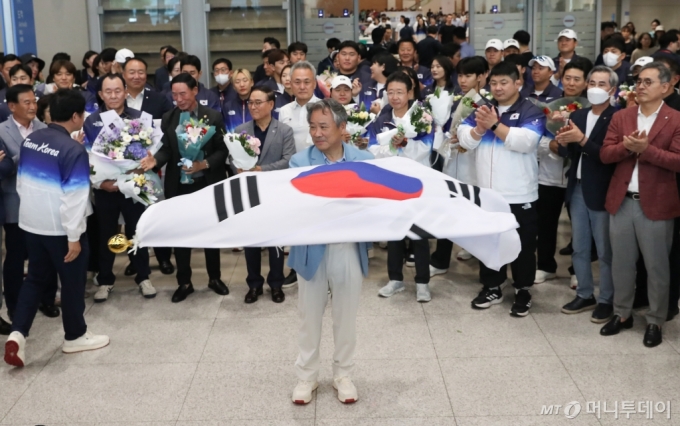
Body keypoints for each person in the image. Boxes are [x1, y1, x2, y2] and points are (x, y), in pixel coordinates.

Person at [4, 89, 109, 368]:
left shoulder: (32, 140)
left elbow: (21, 184)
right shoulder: (73, 150)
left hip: (31, 225)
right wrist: (74, 237)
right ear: (75, 117)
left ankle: (18, 333)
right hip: (61, 231)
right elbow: (74, 199)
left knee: (35, 279)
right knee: (73, 282)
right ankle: (75, 336)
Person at [289, 98, 373, 405]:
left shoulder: (363, 160)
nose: (317, 133)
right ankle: (306, 376)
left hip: (348, 247)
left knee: (345, 316)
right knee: (308, 316)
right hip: (311, 248)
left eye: (323, 126)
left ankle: (343, 374)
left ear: (341, 128)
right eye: (312, 127)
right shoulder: (299, 162)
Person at [599, 62, 680, 348]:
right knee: (621, 264)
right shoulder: (622, 116)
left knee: (657, 266)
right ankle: (622, 314)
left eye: (648, 81)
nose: (641, 86)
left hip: (656, 204)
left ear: (666, 87)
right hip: (621, 202)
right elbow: (606, 154)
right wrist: (627, 147)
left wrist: (647, 150)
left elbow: (677, 161)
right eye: (638, 81)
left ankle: (655, 320)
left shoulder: (676, 119)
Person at [458, 61, 546, 316]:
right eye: (493, 83)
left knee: (523, 245)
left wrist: (495, 126)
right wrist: (478, 128)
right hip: (488, 192)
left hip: (520, 193)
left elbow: (526, 143)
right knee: (490, 242)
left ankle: (523, 289)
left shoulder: (531, 111)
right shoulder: (483, 108)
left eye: (503, 82)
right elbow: (464, 137)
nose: (497, 88)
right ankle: (492, 285)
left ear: (517, 82)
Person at [140, 73, 229, 303]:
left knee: (210, 233)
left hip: (206, 183)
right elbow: (167, 149)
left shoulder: (213, 117)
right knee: (181, 234)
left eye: (183, 94)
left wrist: (203, 164)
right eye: (174, 94)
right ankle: (184, 282)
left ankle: (214, 277)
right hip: (178, 185)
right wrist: (155, 161)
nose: (178, 99)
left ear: (195, 90)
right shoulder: (169, 117)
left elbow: (222, 150)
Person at [83, 74, 156, 303]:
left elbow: (148, 151)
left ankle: (143, 276)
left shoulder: (139, 118)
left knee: (137, 231)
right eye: (108, 91)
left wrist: (139, 169)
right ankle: (105, 280)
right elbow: (88, 157)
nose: (113, 95)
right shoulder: (91, 121)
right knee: (108, 234)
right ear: (101, 94)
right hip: (105, 189)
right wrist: (100, 182)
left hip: (133, 186)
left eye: (117, 90)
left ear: (125, 91)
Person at [556, 65, 617, 322]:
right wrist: (561, 142)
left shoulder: (618, 117)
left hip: (602, 190)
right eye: (591, 83)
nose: (595, 88)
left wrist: (581, 140)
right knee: (579, 247)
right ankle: (584, 293)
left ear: (612, 89)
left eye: (601, 84)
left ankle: (607, 299)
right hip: (578, 187)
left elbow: (609, 157)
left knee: (605, 250)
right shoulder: (578, 115)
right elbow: (568, 154)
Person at [367, 73, 434, 302]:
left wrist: (404, 144)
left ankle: (423, 282)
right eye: (391, 92)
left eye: (399, 92)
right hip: (391, 179)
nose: (395, 97)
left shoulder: (421, 116)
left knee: (419, 233)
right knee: (395, 231)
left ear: (410, 93)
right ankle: (395, 279)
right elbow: (373, 149)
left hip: (417, 179)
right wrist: (391, 148)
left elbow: (426, 148)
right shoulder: (381, 117)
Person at [0, 84, 57, 325]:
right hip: (15, 202)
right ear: (12, 106)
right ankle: (14, 306)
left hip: (43, 201)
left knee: (45, 255)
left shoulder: (45, 129)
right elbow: (4, 169)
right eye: (26, 102)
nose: (33, 106)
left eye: (34, 101)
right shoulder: (1, 131)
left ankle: (47, 299)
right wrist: (30, 153)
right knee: (15, 257)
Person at [233, 86, 295, 304]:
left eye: (258, 102)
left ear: (271, 105)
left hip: (275, 191)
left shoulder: (284, 130)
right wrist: (238, 168)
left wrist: (261, 170)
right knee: (251, 240)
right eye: (250, 102)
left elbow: (288, 160)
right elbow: (232, 159)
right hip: (249, 192)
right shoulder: (241, 129)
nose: (253, 106)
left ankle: (276, 284)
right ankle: (254, 284)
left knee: (275, 241)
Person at [533, 59, 592, 285]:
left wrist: (571, 148)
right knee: (545, 223)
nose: (571, 83)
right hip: (548, 175)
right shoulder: (551, 106)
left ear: (585, 82)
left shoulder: (590, 108)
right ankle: (545, 265)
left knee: (579, 226)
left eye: (577, 79)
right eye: (567, 78)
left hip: (577, 178)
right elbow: (537, 138)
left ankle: (577, 270)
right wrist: (551, 146)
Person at [430, 56, 488, 274]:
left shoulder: (484, 103)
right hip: (452, 161)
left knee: (472, 210)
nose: (463, 80)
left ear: (482, 77)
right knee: (449, 208)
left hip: (472, 167)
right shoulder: (460, 99)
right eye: (461, 75)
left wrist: (465, 141)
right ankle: (441, 258)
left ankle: (472, 251)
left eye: (469, 75)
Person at [277, 61, 321, 288]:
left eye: (307, 81)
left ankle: (324, 269)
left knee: (321, 222)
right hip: (292, 175)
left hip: (320, 173)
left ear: (314, 83)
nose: (302, 86)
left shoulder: (325, 107)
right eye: (297, 82)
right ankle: (296, 269)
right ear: (289, 84)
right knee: (296, 223)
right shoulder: (283, 112)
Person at [124, 57, 174, 122]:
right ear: (123, 75)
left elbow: (170, 123)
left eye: (141, 72)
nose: (136, 77)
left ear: (146, 75)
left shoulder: (159, 99)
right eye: (132, 72)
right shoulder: (115, 98)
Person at [223, 69, 254, 133]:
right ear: (233, 86)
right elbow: (225, 129)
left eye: (245, 80)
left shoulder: (258, 104)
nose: (242, 85)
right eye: (237, 82)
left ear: (251, 83)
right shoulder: (228, 106)